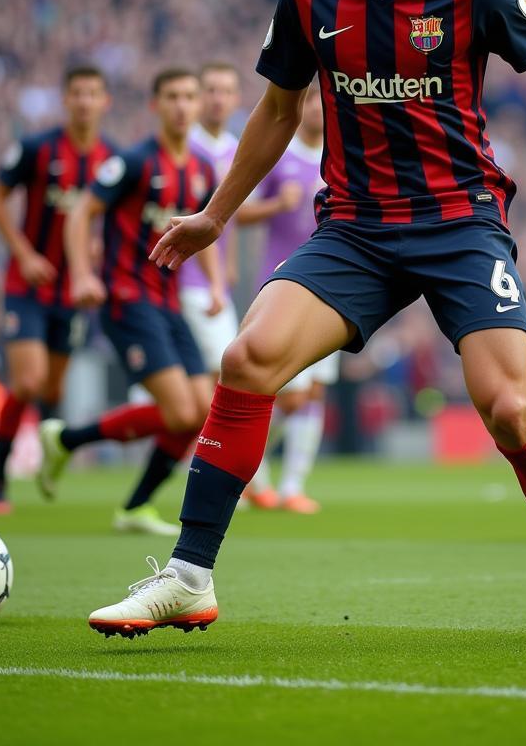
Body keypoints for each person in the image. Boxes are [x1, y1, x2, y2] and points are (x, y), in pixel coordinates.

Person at [87, 0, 526, 644]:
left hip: (460, 222)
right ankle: (188, 577)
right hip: (355, 229)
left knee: (506, 408)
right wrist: (216, 213)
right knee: (248, 359)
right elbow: (278, 110)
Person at [37, 69, 224, 535]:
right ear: (154, 105)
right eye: (172, 97)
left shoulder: (201, 169)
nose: (182, 106)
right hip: (127, 297)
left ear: (198, 106)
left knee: (201, 412)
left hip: (169, 300)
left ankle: (131, 503)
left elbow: (206, 230)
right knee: (181, 412)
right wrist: (81, 273)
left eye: (188, 97)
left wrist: (217, 284)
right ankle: (69, 439)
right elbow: (82, 212)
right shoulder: (134, 161)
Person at [0, 64, 114, 514]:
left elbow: (117, 217)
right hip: (27, 285)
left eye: (92, 93)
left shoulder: (110, 160)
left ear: (104, 102)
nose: (84, 101)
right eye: (76, 92)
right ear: (66, 99)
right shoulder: (37, 149)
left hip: (72, 293)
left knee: (53, 388)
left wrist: (98, 249)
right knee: (29, 381)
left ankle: (48, 459)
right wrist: (23, 253)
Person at [237, 84, 333, 514]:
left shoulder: (340, 157)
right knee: (286, 393)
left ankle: (292, 486)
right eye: (311, 100)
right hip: (285, 282)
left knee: (312, 392)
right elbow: (241, 212)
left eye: (322, 101)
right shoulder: (283, 153)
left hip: (333, 285)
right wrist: (277, 205)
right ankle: (251, 474)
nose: (318, 109)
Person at [177, 63, 242, 385]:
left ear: (236, 99)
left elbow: (234, 215)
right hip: (185, 275)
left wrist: (228, 265)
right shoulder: (183, 146)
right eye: (211, 90)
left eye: (226, 92)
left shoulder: (238, 150)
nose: (218, 99)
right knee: (223, 372)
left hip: (214, 278)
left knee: (195, 380)